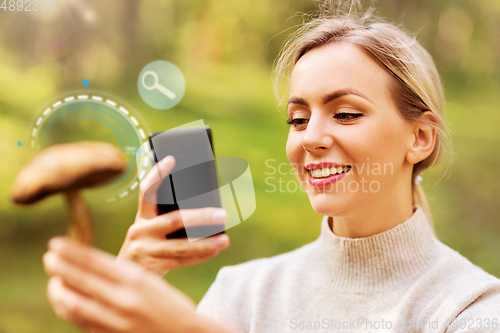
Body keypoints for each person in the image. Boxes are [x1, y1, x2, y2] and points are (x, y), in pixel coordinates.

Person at [43, 1, 500, 332]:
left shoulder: (469, 308)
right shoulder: (241, 292)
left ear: (419, 138)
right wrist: (119, 300)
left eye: (345, 113)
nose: (311, 139)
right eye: (298, 119)